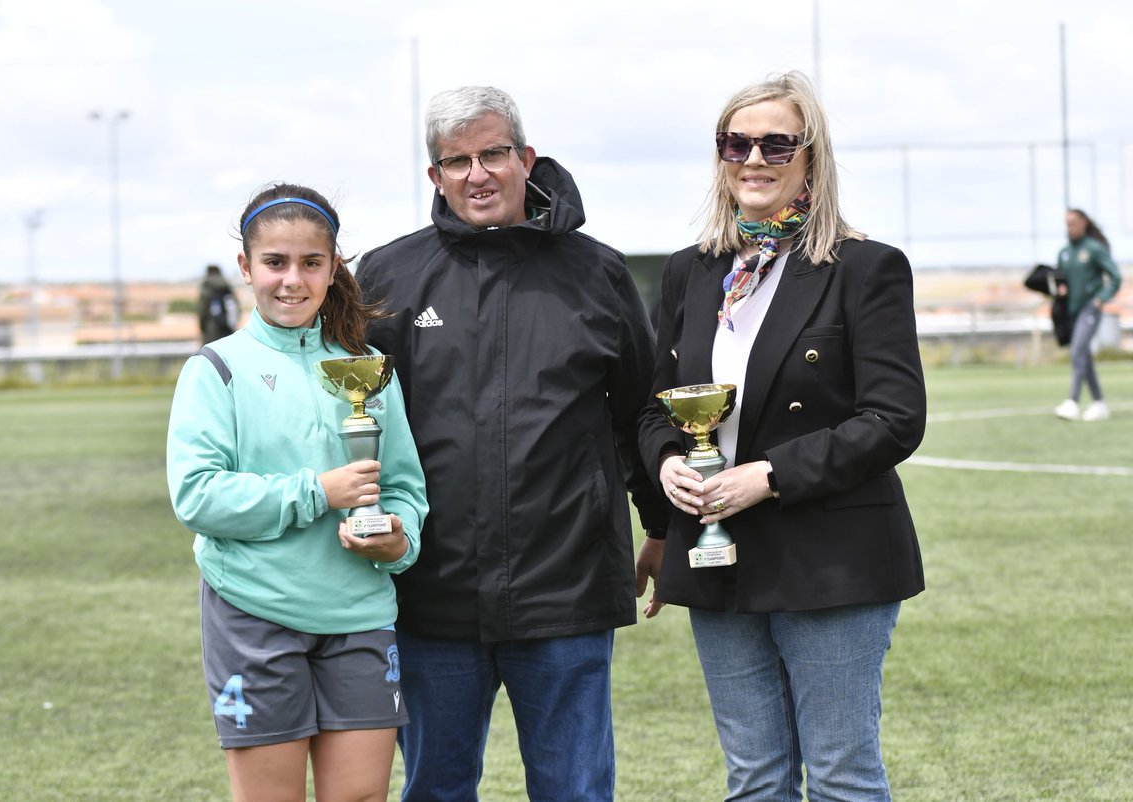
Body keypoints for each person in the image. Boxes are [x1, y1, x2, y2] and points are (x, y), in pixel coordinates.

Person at [355, 86, 670, 802]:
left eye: (493, 154)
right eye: (456, 161)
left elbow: (639, 411)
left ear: (526, 159)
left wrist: (660, 526)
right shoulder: (388, 276)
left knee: (575, 792)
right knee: (435, 789)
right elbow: (352, 422)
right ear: (435, 176)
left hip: (567, 588)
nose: (478, 174)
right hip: (431, 593)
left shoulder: (598, 272)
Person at [637, 71, 926, 801]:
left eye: (776, 144)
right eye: (736, 144)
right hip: (716, 555)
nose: (755, 159)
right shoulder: (691, 272)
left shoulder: (864, 268)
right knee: (753, 779)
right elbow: (654, 407)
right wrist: (668, 461)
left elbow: (894, 418)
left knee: (841, 778)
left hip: (830, 557)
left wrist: (767, 475)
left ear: (811, 157)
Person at [166, 183, 428, 802]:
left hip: (360, 616)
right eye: (274, 262)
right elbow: (197, 496)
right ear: (245, 267)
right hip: (254, 613)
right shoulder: (216, 369)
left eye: (311, 262)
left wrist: (397, 541)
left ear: (334, 268)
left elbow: (402, 486)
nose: (292, 280)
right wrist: (317, 491)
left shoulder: (368, 368)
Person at [1052, 208, 1122, 422]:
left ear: (1084, 223)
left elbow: (1115, 277)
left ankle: (1072, 401)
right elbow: (1060, 278)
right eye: (1067, 224)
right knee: (1083, 355)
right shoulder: (1064, 252)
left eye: (1073, 223)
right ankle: (1099, 403)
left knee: (1077, 351)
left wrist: (1101, 298)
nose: (1070, 228)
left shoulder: (1094, 248)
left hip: (1090, 308)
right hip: (1071, 311)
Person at [199, 263, 241, 343]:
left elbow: (203, 309)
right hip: (228, 328)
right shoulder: (226, 284)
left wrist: (203, 327)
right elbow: (236, 306)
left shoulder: (207, 285)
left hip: (212, 329)